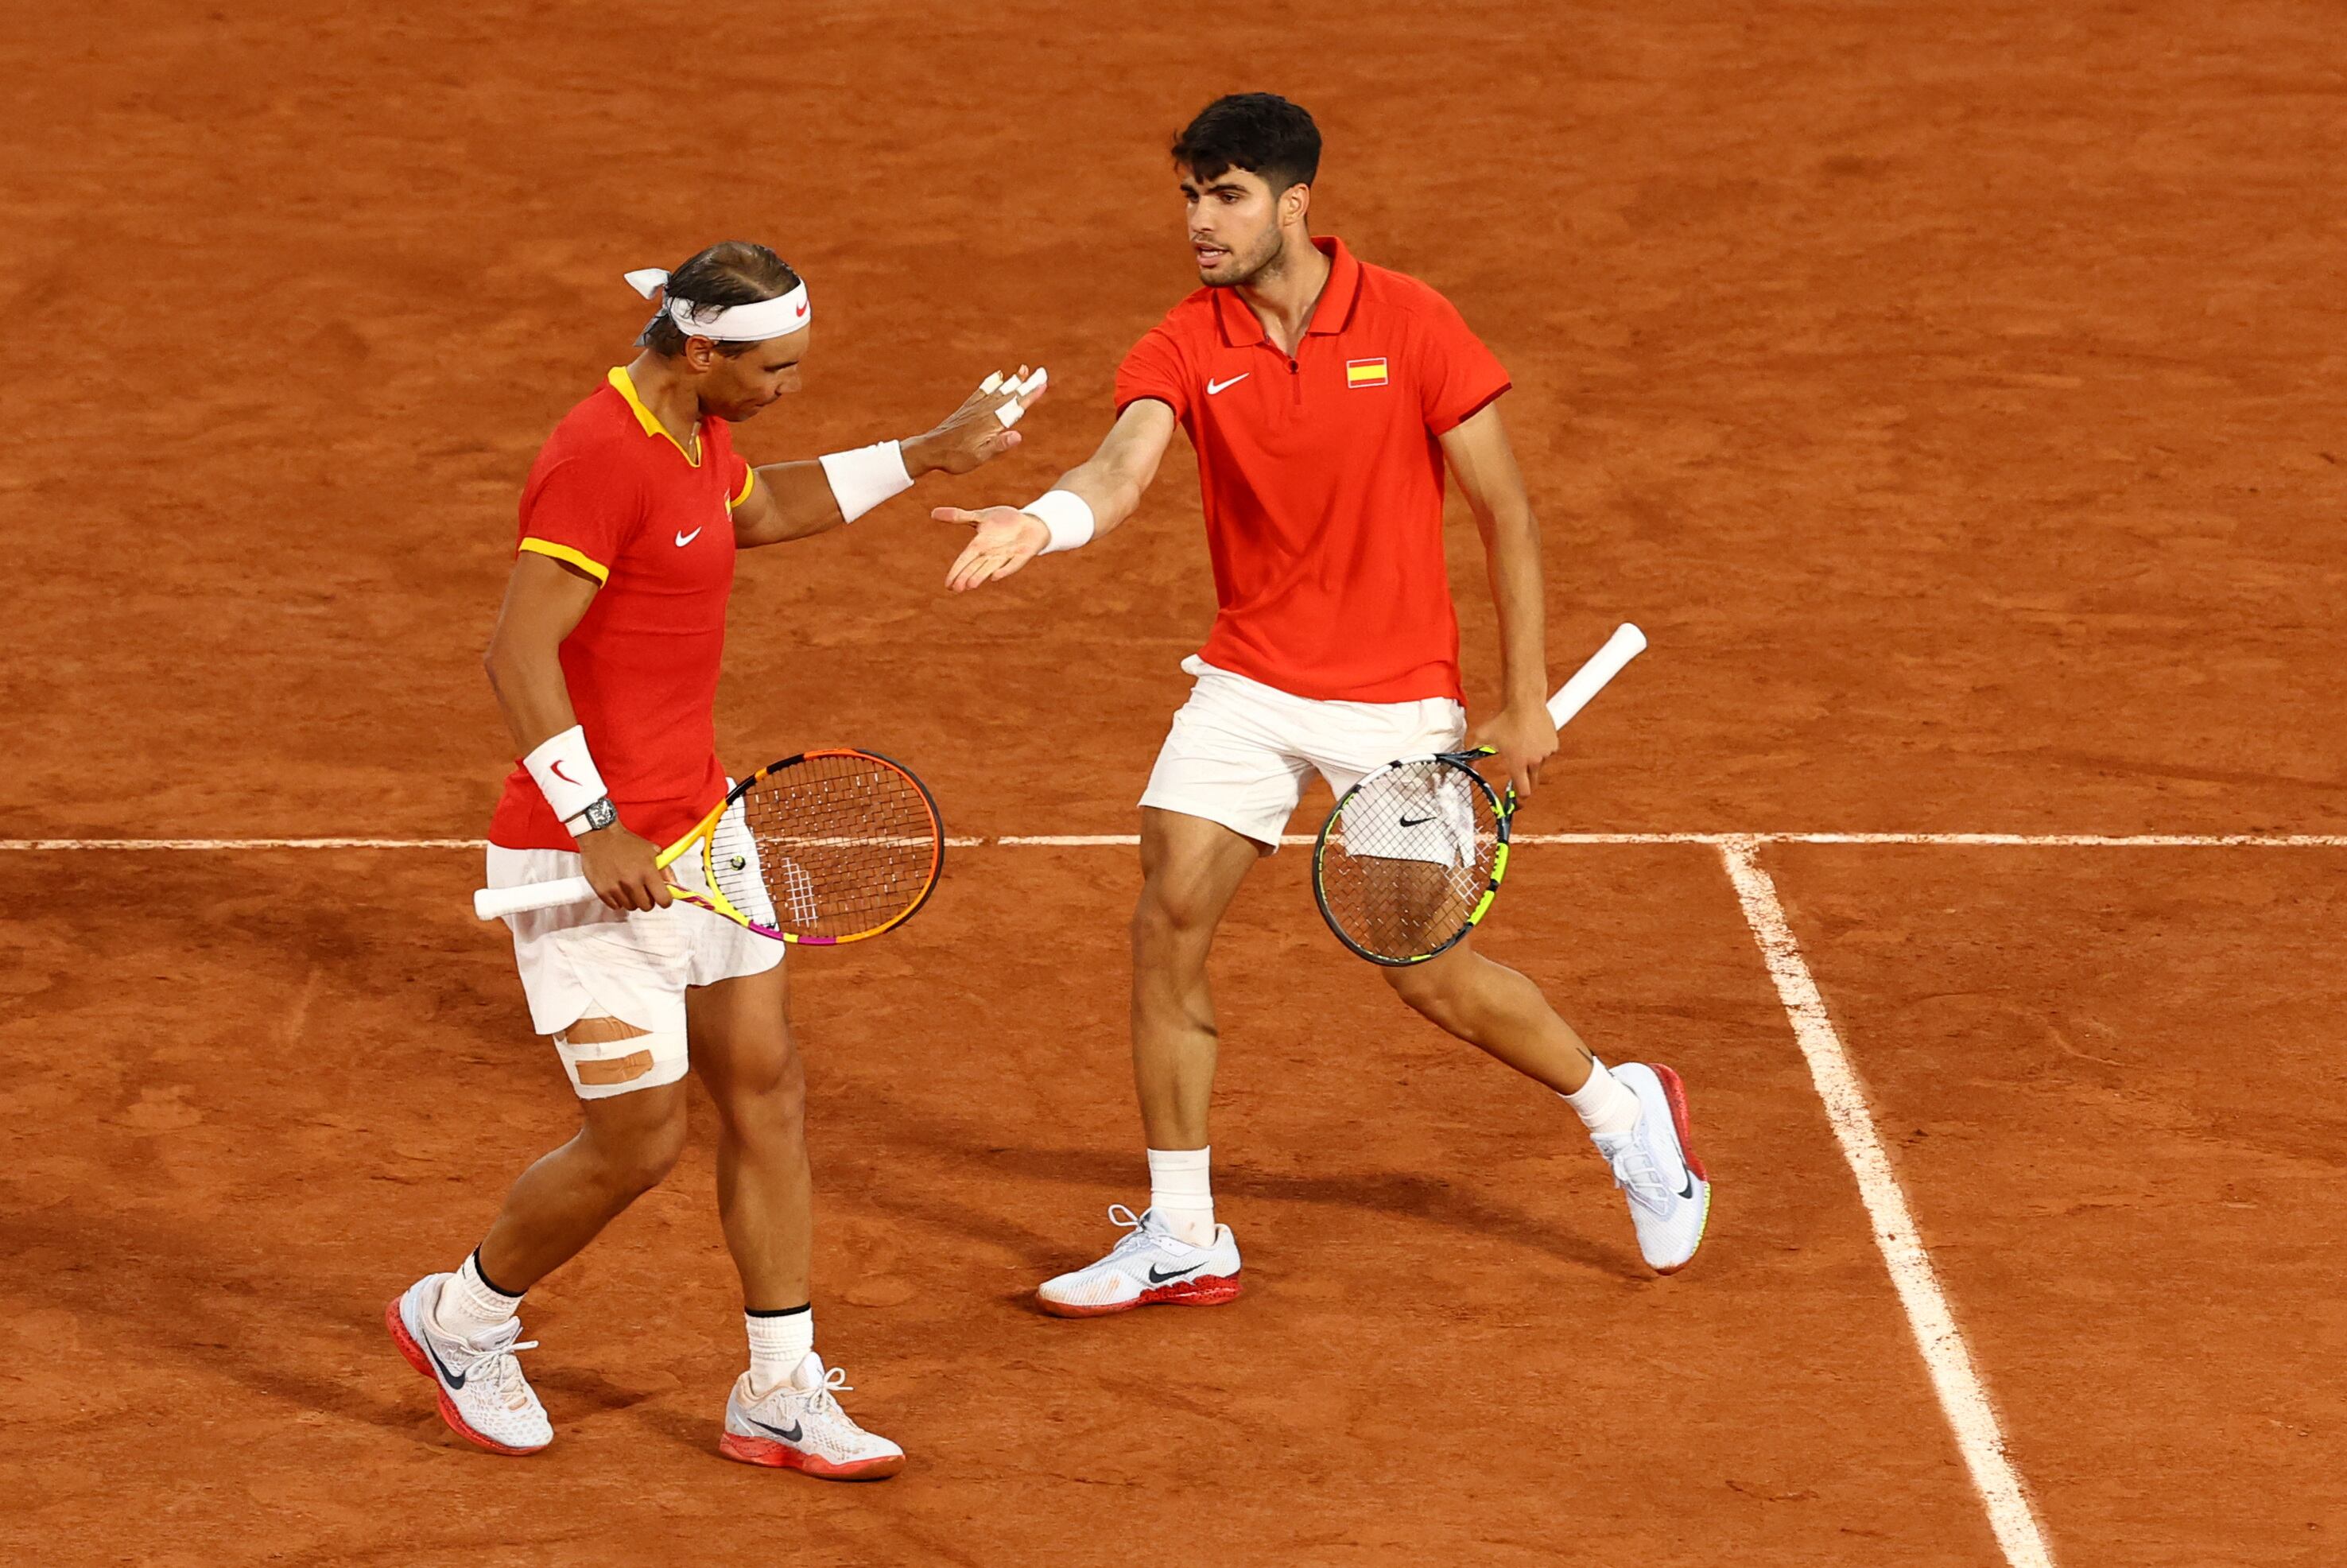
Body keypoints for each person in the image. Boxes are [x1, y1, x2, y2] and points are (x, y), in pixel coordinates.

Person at [937, 95, 1710, 1318]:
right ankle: (1185, 1232)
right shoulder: (1185, 341)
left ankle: (1625, 1112)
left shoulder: (1411, 322)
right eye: (1190, 193)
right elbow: (1123, 465)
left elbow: (1506, 509)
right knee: (1167, 919)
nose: (1200, 219)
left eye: (1227, 194)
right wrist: (1045, 518)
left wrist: (1520, 704)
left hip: (1396, 704)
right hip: (1247, 682)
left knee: (1427, 970)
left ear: (1295, 204)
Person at [389, 241, 1039, 1476]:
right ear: (702, 350)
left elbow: (761, 509)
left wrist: (922, 455)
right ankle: (460, 1321)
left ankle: (779, 1390)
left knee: (766, 1085)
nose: (789, 385)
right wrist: (594, 829)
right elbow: (515, 656)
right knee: (639, 1141)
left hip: (703, 825)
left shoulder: (695, 434)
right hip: (581, 854)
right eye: (775, 367)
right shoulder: (598, 456)